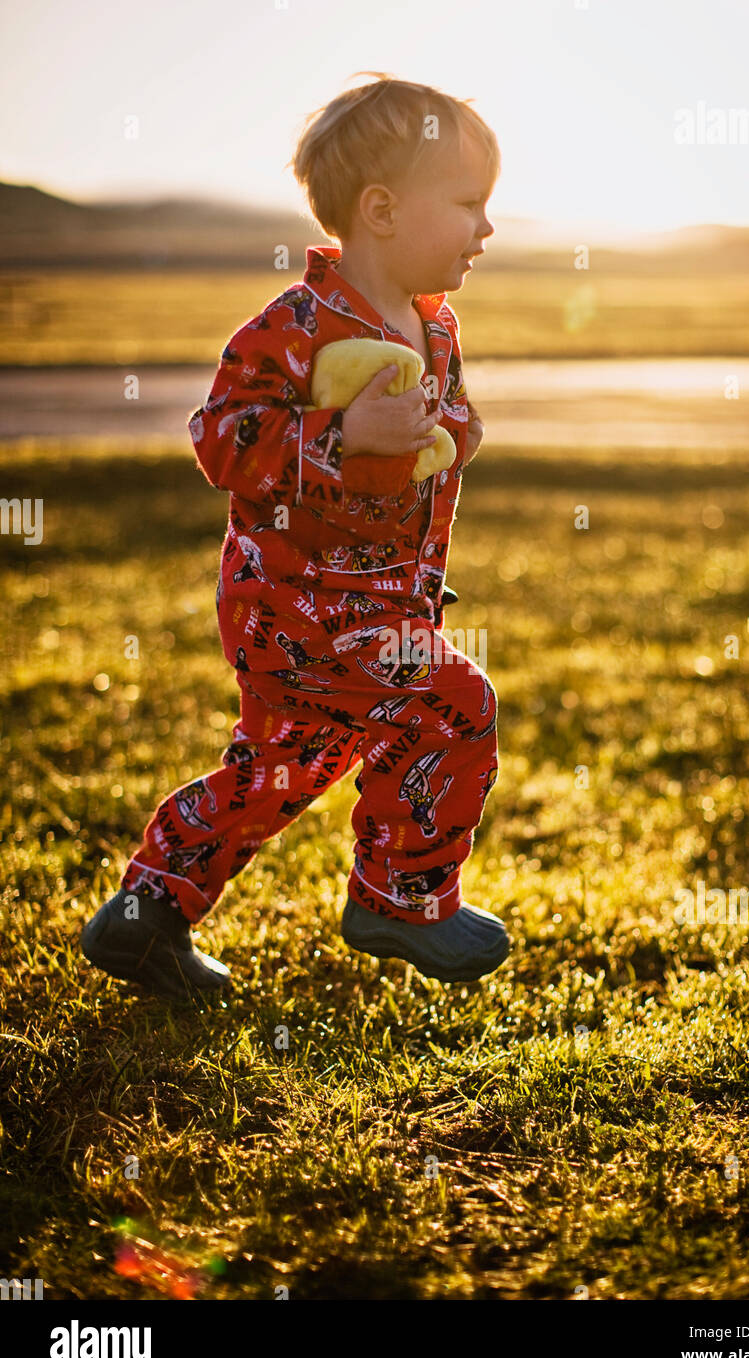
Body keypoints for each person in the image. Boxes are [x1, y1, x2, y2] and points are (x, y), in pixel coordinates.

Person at [81, 73, 509, 998]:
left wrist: (448, 432)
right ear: (383, 210)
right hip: (300, 601)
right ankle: (401, 898)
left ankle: (146, 913)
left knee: (282, 766)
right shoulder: (298, 327)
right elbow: (221, 436)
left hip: (382, 598)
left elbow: (452, 423)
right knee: (455, 704)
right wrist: (340, 439)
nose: (487, 229)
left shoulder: (436, 329)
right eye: (470, 204)